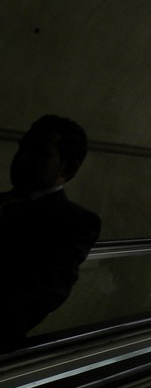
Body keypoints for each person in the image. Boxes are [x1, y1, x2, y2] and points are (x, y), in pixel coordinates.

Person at [0, 115, 101, 352]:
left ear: (69, 167)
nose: (22, 157)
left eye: (39, 152)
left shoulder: (75, 222)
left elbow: (39, 296)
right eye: (22, 148)